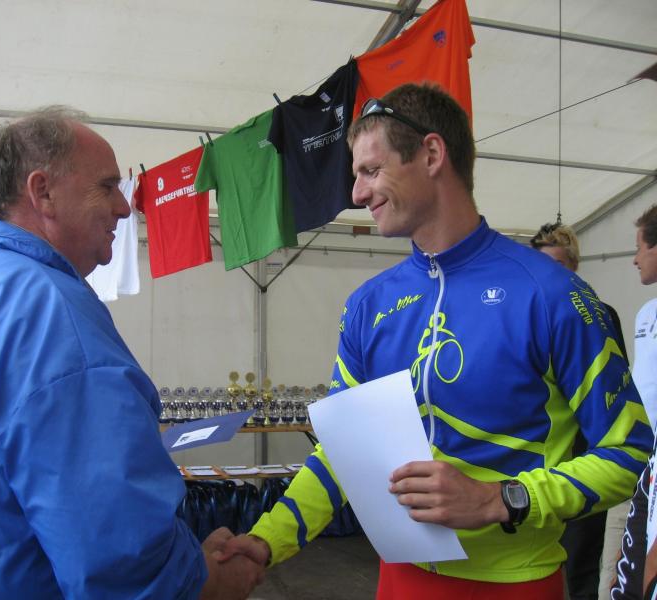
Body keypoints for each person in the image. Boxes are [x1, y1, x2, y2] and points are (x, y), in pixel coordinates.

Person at [218, 83, 652, 599]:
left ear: (430, 154)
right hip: (399, 579)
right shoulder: (368, 304)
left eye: (370, 170)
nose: (356, 194)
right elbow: (344, 452)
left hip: (516, 584)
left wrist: (502, 499)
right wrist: (265, 541)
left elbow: (629, 452)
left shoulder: (552, 294)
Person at [0, 107, 263, 599]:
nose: (124, 208)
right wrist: (209, 582)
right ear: (42, 191)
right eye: (107, 186)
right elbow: (118, 552)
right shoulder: (45, 312)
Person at [530, 221, 629, 600]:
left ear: (574, 265)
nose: (549, 274)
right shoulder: (528, 316)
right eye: (542, 265)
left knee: (582, 565)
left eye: (557, 264)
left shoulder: (599, 315)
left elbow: (612, 390)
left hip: (586, 462)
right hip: (541, 464)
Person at [610, 203, 657, 599]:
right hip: (634, 459)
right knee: (617, 576)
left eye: (640, 247)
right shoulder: (645, 313)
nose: (634, 259)